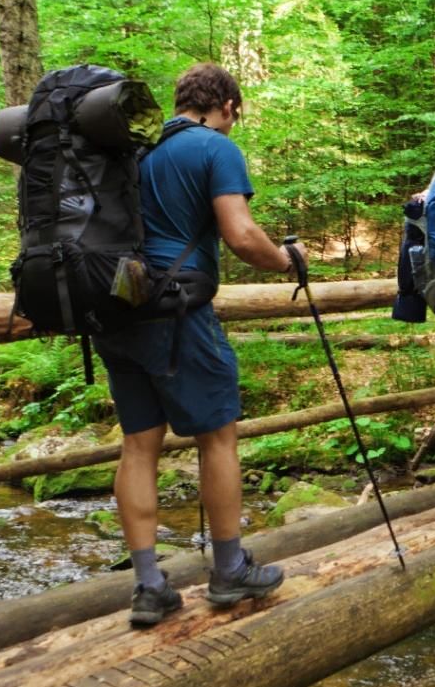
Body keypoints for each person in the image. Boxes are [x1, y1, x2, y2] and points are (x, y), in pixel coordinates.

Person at [94, 63, 305, 629]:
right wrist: (286, 261)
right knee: (218, 435)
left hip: (117, 312)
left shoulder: (136, 150)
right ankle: (230, 569)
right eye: (236, 114)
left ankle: (149, 587)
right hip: (176, 311)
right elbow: (240, 235)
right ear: (228, 106)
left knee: (139, 445)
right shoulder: (214, 147)